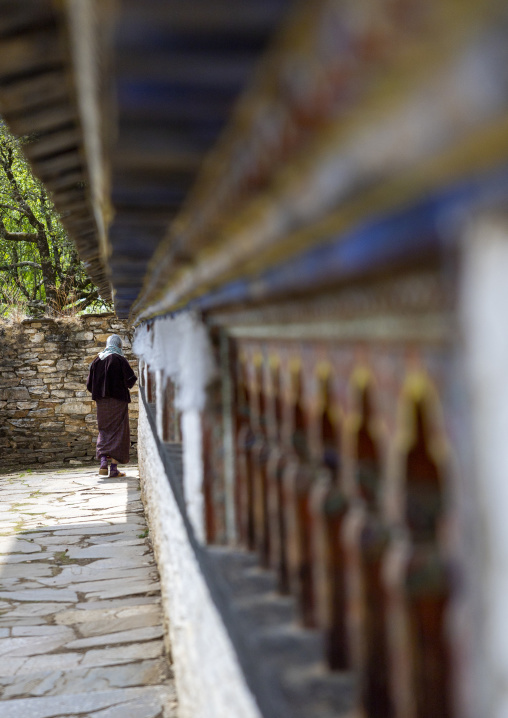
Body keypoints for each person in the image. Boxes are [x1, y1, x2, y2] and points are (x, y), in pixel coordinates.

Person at [86, 334, 137, 477]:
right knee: (119, 431)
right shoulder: (120, 359)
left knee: (104, 430)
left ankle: (103, 462)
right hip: (118, 402)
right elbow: (130, 381)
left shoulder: (97, 361)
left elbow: (90, 385)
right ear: (119, 345)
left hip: (102, 403)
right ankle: (113, 468)